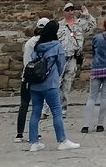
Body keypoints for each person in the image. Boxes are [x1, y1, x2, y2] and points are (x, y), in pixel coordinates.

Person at [26, 20, 79, 152]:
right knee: (56, 111)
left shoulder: (38, 45)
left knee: (35, 112)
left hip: (35, 83)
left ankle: (34, 142)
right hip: (50, 83)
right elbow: (61, 65)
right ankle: (62, 140)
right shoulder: (56, 46)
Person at [81, 16, 106, 133]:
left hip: (97, 68)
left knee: (92, 97)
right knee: (105, 96)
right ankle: (100, 124)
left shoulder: (96, 38)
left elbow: (94, 52)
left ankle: (86, 124)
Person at [56, 3, 95, 113]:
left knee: (67, 84)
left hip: (72, 58)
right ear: (64, 12)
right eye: (68, 10)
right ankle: (49, 108)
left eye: (72, 10)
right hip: (60, 58)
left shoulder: (79, 24)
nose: (70, 12)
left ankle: (63, 108)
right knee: (56, 83)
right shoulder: (59, 25)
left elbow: (92, 26)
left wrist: (87, 15)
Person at [15, 18, 47, 142]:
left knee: (24, 104)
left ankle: (19, 133)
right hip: (37, 77)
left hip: (26, 76)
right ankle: (34, 132)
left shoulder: (29, 42)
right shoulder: (42, 43)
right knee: (36, 106)